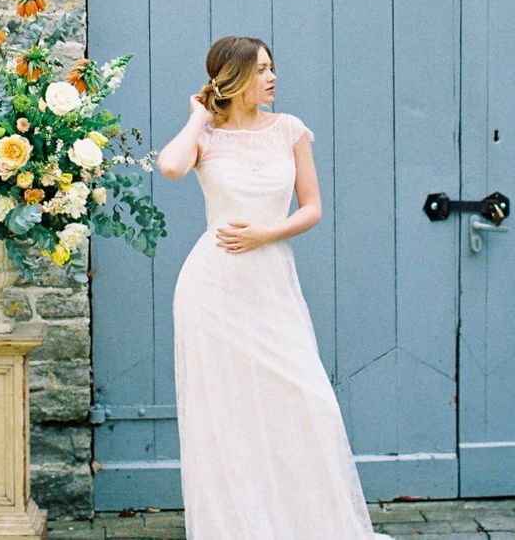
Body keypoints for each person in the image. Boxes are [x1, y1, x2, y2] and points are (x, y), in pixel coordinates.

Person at [157, 36, 393, 539]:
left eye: (272, 67)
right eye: (261, 70)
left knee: (305, 399)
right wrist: (199, 117)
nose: (272, 77)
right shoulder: (207, 137)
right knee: (226, 414)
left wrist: (267, 233)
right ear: (235, 77)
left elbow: (311, 208)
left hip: (270, 282)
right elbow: (172, 167)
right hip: (212, 289)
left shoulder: (289, 130)